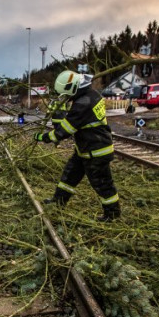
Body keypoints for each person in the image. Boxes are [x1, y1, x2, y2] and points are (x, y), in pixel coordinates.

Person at [34, 70, 121, 222]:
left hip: (96, 152)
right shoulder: (92, 95)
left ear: (74, 88)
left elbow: (64, 131)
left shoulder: (82, 104)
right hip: (85, 149)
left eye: (67, 94)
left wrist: (43, 137)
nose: (66, 97)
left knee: (102, 184)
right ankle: (59, 201)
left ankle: (112, 214)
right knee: (69, 175)